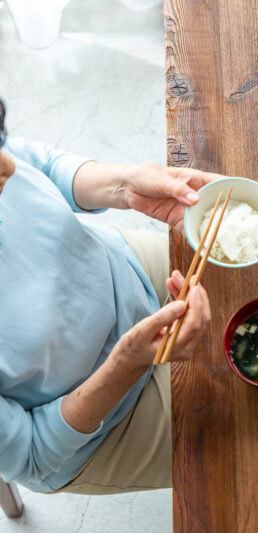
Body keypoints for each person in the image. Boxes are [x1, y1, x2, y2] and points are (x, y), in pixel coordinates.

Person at [0, 98, 218, 494]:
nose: (8, 168)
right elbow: (31, 454)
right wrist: (127, 362)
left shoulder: (5, 163)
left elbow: (41, 166)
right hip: (103, 427)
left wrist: (125, 183)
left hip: (125, 269)